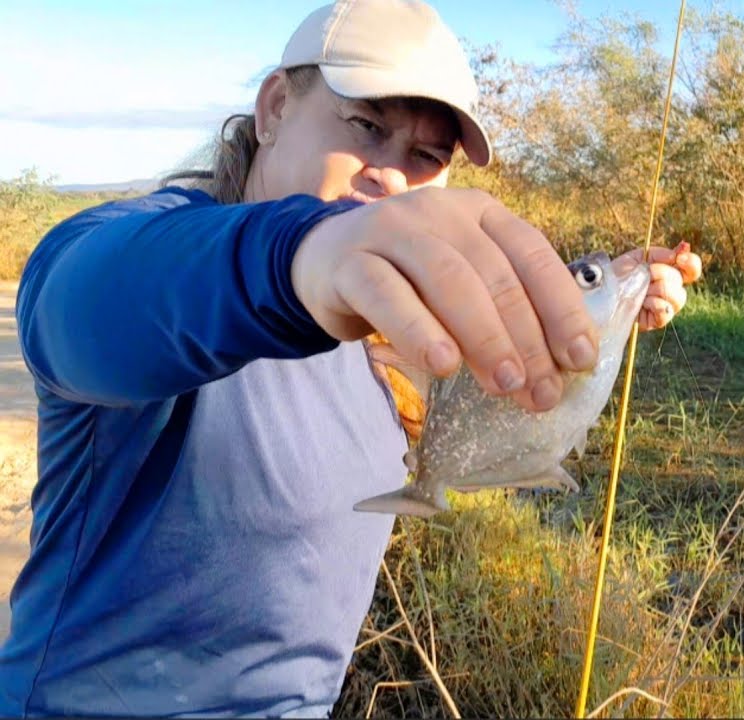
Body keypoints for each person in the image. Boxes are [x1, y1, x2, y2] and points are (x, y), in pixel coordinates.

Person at [0, 0, 703, 715]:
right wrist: (302, 256)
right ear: (274, 108)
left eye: (426, 156)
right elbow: (74, 309)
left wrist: (597, 305)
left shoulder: (404, 328)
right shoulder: (156, 247)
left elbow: (505, 412)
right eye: (367, 126)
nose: (390, 177)